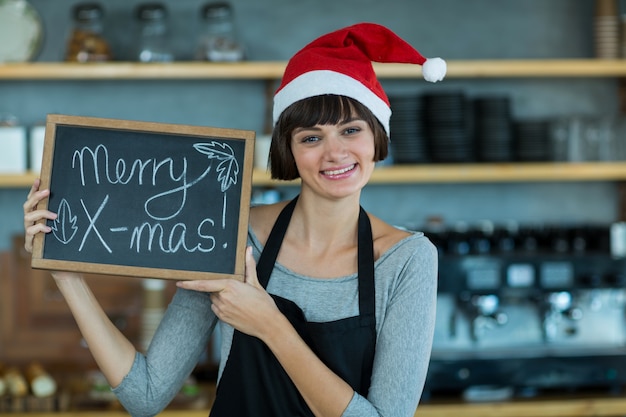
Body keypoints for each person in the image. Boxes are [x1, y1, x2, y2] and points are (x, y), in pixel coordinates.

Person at [23, 22, 445, 417]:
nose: (334, 153)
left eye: (351, 130)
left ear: (377, 137)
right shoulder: (232, 235)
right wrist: (65, 273)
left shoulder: (406, 260)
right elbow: (145, 394)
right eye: (311, 137)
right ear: (290, 151)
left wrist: (269, 325)